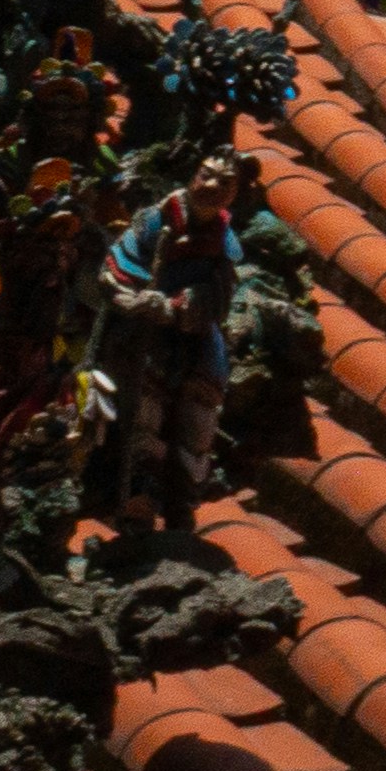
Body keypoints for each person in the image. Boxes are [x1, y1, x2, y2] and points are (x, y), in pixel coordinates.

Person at [86, 149, 251, 536]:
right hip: (140, 335)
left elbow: (220, 294)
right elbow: (117, 263)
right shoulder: (155, 220)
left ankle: (182, 502)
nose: (211, 186)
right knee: (142, 415)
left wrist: (178, 307)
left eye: (224, 183)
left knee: (198, 419)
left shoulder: (223, 240)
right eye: (206, 174)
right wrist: (135, 297)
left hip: (192, 337)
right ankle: (135, 501)